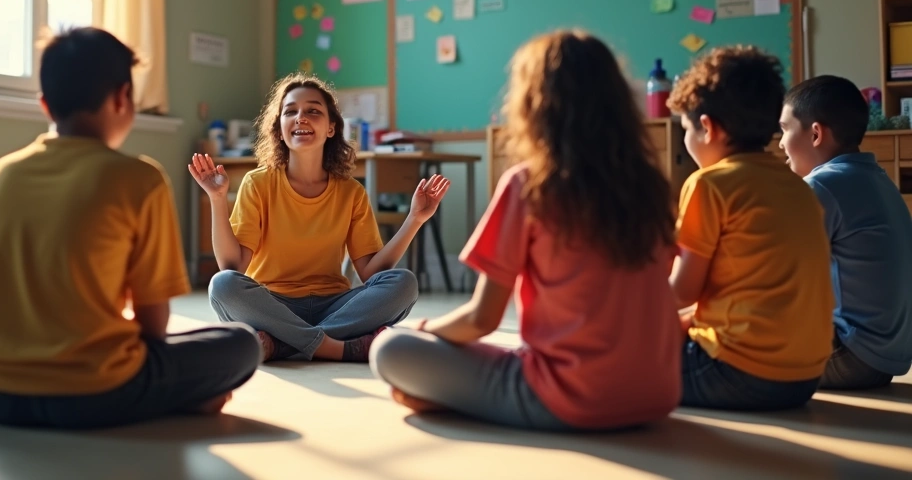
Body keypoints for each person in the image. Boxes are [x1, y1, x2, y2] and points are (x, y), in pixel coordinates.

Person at [368, 31, 682, 430]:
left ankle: (452, 397)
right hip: (658, 394)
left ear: (534, 105)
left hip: (570, 398)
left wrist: (424, 329)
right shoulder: (650, 185)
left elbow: (483, 319)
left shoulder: (530, 185)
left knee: (391, 346)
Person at [0, 27, 260, 429]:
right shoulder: (139, 178)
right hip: (95, 393)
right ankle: (173, 399)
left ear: (46, 105)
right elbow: (153, 327)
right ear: (122, 98)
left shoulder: (0, 174)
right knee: (240, 343)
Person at [195, 73, 446, 363]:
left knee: (404, 284)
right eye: (290, 112)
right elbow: (233, 267)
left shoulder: (351, 191)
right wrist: (217, 199)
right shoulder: (257, 183)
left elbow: (371, 272)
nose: (301, 118)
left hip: (335, 305)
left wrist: (414, 218)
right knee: (223, 284)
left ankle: (285, 345)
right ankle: (334, 346)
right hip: (273, 304)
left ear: (331, 128)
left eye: (313, 111)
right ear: (279, 128)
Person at [667, 46, 833, 410]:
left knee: (617, 353)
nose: (686, 140)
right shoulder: (797, 188)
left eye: (686, 130)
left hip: (734, 374)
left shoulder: (709, 183)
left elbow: (682, 291)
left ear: (708, 128)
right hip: (804, 378)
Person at [780, 75, 912, 389]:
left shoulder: (823, 185)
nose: (781, 142)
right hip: (888, 359)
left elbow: (777, 271)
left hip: (850, 356)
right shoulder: (878, 181)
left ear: (815, 134)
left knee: (733, 344)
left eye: (785, 129)